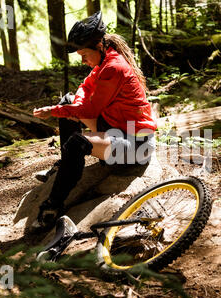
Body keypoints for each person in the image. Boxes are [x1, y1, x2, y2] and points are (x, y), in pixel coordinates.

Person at [32, 11, 157, 231]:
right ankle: (66, 165)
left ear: (98, 45)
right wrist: (68, 105)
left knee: (77, 142)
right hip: (115, 130)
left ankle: (52, 205)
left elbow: (90, 109)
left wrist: (54, 111)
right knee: (68, 100)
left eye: (84, 54)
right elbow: (84, 88)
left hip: (136, 145)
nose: (83, 60)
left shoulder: (114, 68)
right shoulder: (102, 63)